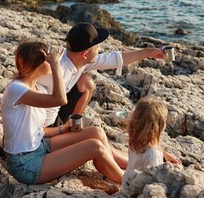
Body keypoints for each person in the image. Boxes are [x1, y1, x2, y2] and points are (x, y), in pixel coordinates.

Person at [1, 40, 125, 185]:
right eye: (47, 59)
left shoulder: (37, 88)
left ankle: (117, 168)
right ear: (38, 64)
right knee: (94, 147)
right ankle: (128, 182)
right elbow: (60, 99)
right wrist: (55, 66)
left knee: (96, 132)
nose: (52, 61)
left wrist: (62, 129)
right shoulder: (16, 90)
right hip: (25, 165)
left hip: (39, 146)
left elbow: (37, 130)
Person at [37, 22, 168, 128]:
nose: (100, 49)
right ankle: (64, 132)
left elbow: (115, 58)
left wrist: (148, 52)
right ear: (85, 54)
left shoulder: (76, 59)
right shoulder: (54, 69)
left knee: (86, 82)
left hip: (56, 109)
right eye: (97, 46)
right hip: (43, 124)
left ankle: (73, 125)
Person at [123, 97, 182, 181]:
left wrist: (164, 155)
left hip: (127, 181)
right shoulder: (153, 154)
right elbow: (154, 180)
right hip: (137, 190)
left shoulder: (134, 141)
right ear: (159, 126)